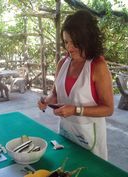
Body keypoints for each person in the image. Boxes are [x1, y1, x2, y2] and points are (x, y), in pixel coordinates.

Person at [38, 10, 114, 160]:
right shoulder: (63, 63)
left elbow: (108, 109)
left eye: (75, 43)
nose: (69, 48)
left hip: (90, 136)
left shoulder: (97, 66)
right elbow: (55, 93)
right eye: (66, 42)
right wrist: (47, 101)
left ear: (88, 40)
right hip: (66, 132)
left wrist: (76, 110)